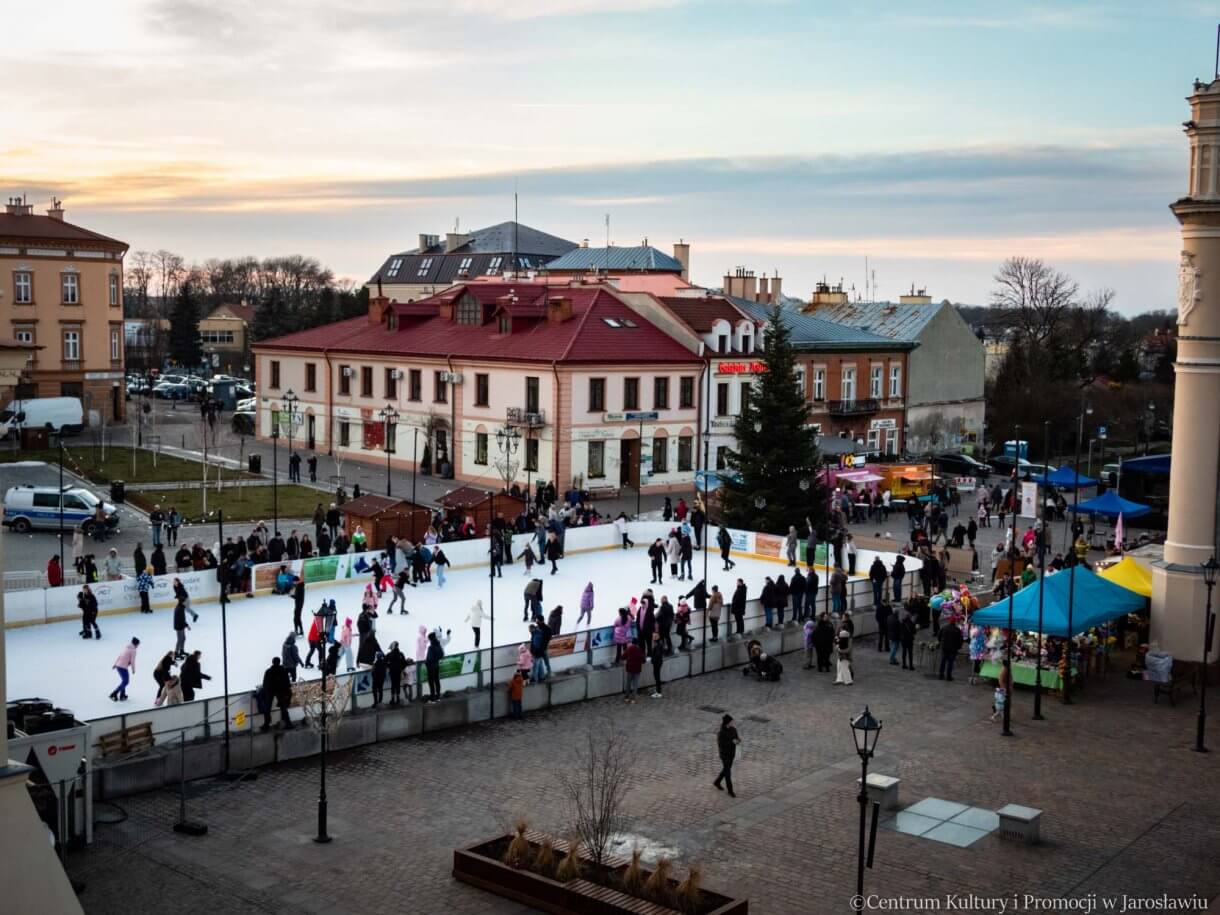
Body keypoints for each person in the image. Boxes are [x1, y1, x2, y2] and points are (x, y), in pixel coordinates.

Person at [260, 657, 293, 731]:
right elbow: (287, 683)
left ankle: (266, 724)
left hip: (270, 691)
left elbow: (265, 683)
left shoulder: (269, 671)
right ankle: (288, 723)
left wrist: (265, 691)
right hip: (280, 691)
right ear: (279, 662)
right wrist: (287, 691)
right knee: (283, 708)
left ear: (273, 662)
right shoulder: (283, 670)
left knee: (267, 708)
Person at [713, 714, 741, 797]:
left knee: (726, 770)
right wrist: (732, 742)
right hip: (724, 755)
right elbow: (721, 744)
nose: (733, 722)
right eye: (732, 721)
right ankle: (730, 790)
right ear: (727, 723)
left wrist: (738, 740)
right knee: (728, 773)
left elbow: (736, 738)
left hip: (732, 753)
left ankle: (717, 782)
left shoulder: (733, 729)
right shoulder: (721, 733)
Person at [424, 630, 444, 701]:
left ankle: (433, 696)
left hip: (431, 667)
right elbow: (442, 654)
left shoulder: (431, 647)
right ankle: (438, 695)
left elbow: (429, 658)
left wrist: (426, 663)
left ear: (430, 639)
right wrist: (436, 659)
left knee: (431, 682)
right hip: (436, 666)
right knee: (437, 681)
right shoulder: (438, 645)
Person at [623, 638, 645, 703]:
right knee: (635, 685)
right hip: (637, 669)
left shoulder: (629, 649)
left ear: (632, 642)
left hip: (629, 668)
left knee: (628, 684)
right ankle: (633, 699)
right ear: (637, 643)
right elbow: (643, 660)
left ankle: (626, 698)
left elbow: (623, 656)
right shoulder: (639, 650)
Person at [173, 595, 191, 659]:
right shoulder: (179, 608)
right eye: (186, 601)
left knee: (183, 638)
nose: (187, 602)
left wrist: (186, 625)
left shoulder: (181, 607)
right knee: (180, 639)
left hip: (181, 625)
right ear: (183, 602)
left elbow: (182, 619)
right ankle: (176, 653)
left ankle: (181, 651)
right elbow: (181, 619)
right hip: (179, 626)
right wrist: (187, 625)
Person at [649, 632, 666, 698]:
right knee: (657, 677)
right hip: (658, 662)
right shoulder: (659, 643)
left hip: (657, 663)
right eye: (653, 636)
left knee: (657, 677)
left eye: (654, 636)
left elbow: (657, 654)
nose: (653, 637)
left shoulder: (657, 644)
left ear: (657, 637)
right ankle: (658, 691)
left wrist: (653, 659)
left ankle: (658, 692)